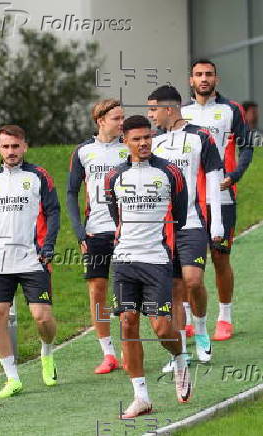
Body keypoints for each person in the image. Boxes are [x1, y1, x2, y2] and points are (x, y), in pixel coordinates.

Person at [105, 115, 191, 418]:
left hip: (156, 260)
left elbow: (179, 216)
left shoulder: (170, 173)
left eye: (147, 137)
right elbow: (115, 214)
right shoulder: (114, 176)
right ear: (124, 140)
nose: (143, 143)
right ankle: (141, 396)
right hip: (125, 260)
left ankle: (180, 360)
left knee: (161, 327)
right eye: (136, 139)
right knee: (127, 321)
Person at [0, 125, 60, 399]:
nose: (11, 151)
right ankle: (12, 378)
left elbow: (53, 212)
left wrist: (49, 245)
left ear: (25, 146)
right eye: (6, 146)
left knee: (42, 318)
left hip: (33, 258)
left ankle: (47, 353)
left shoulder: (39, 176)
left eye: (15, 146)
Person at [147, 85, 223, 368]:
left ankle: (202, 332)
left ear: (169, 109)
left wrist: (216, 221)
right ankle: (180, 352)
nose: (150, 115)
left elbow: (214, 175)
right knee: (175, 289)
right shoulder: (152, 142)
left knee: (194, 281)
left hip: (191, 222)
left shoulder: (201, 136)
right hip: (162, 229)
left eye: (153, 109)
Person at [182, 59, 253, 341]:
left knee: (220, 257)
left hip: (221, 198)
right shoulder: (181, 112)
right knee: (186, 261)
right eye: (198, 74)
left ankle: (225, 318)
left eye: (208, 74)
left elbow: (246, 146)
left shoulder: (230, 109)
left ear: (216, 79)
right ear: (191, 80)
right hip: (188, 201)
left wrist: (234, 175)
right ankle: (187, 318)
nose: (203, 79)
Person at [67, 99, 128, 374]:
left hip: (127, 231)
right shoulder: (83, 152)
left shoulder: (128, 148)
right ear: (101, 120)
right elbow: (70, 192)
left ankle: (130, 350)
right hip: (95, 231)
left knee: (127, 290)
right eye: (116, 118)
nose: (121, 122)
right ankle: (108, 353)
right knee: (97, 290)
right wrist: (80, 231)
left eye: (122, 117)